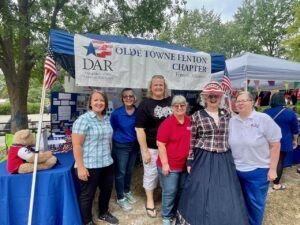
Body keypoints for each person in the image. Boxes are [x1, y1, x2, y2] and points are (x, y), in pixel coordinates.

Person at [177, 82, 249, 225]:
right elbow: (192, 139)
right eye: (210, 95)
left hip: (224, 156)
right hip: (203, 157)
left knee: (225, 190)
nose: (213, 98)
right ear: (204, 97)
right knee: (201, 189)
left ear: (220, 97)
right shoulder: (196, 116)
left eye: (216, 95)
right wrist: (190, 160)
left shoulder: (227, 113)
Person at [229, 92, 281, 225]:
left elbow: (275, 144)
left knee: (255, 205)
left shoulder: (263, 119)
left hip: (258, 170)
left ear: (252, 102)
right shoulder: (232, 121)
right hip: (236, 170)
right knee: (238, 202)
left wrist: (273, 169)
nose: (239, 103)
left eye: (243, 100)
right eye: (237, 101)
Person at [72, 90, 118, 225]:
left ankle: (103, 213)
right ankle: (87, 221)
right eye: (96, 100)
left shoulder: (106, 119)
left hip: (106, 163)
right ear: (90, 103)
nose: (99, 103)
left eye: (102, 100)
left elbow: (108, 141)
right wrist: (80, 167)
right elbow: (77, 145)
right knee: (88, 195)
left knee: (106, 190)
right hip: (90, 165)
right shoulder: (83, 120)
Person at [135, 75, 172, 218]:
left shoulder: (171, 101)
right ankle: (150, 201)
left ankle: (166, 200)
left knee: (168, 174)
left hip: (169, 148)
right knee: (151, 174)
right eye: (155, 85)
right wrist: (145, 151)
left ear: (165, 87)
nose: (158, 87)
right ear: (151, 87)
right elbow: (139, 129)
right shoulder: (145, 104)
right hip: (151, 147)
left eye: (161, 85)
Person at [156, 95, 191, 225]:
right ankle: (166, 216)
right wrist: (165, 164)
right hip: (169, 165)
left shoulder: (190, 121)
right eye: (176, 106)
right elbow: (160, 144)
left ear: (186, 107)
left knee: (181, 190)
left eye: (182, 105)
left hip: (184, 165)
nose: (179, 108)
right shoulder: (167, 124)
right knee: (170, 191)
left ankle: (178, 212)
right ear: (172, 108)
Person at [110, 88, 139, 212]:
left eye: (131, 96)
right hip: (121, 146)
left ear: (134, 98)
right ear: (122, 99)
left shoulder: (138, 112)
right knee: (120, 172)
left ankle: (126, 191)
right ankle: (120, 197)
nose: (128, 98)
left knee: (129, 170)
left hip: (134, 146)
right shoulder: (116, 113)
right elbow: (112, 128)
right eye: (125, 96)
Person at [264, 92, 299, 190]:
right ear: (283, 100)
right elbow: (295, 130)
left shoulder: (266, 112)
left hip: (267, 140)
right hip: (283, 140)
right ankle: (276, 184)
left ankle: (265, 180)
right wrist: (295, 140)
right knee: (279, 161)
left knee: (266, 160)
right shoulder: (290, 113)